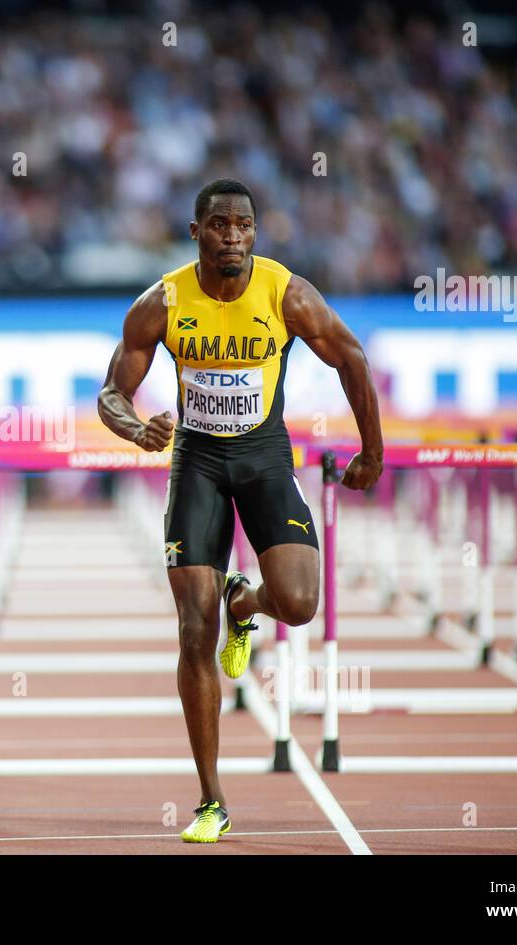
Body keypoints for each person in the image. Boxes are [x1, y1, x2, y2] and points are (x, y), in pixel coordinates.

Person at [98, 179, 383, 842]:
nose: (233, 236)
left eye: (244, 226)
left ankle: (244, 605)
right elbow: (113, 391)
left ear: (256, 233)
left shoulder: (285, 292)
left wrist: (372, 451)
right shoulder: (163, 302)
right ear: (196, 231)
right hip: (196, 465)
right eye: (220, 224)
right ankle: (211, 797)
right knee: (193, 632)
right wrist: (133, 426)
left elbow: (351, 355)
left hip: (262, 461)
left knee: (300, 601)